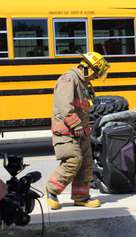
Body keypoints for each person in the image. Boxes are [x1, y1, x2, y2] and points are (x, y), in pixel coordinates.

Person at [45, 52, 110, 210]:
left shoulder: (83, 83)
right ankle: (51, 190)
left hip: (81, 132)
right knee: (73, 160)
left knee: (86, 165)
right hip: (67, 132)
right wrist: (76, 125)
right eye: (95, 73)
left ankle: (81, 197)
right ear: (87, 68)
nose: (95, 77)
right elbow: (65, 107)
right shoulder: (69, 79)